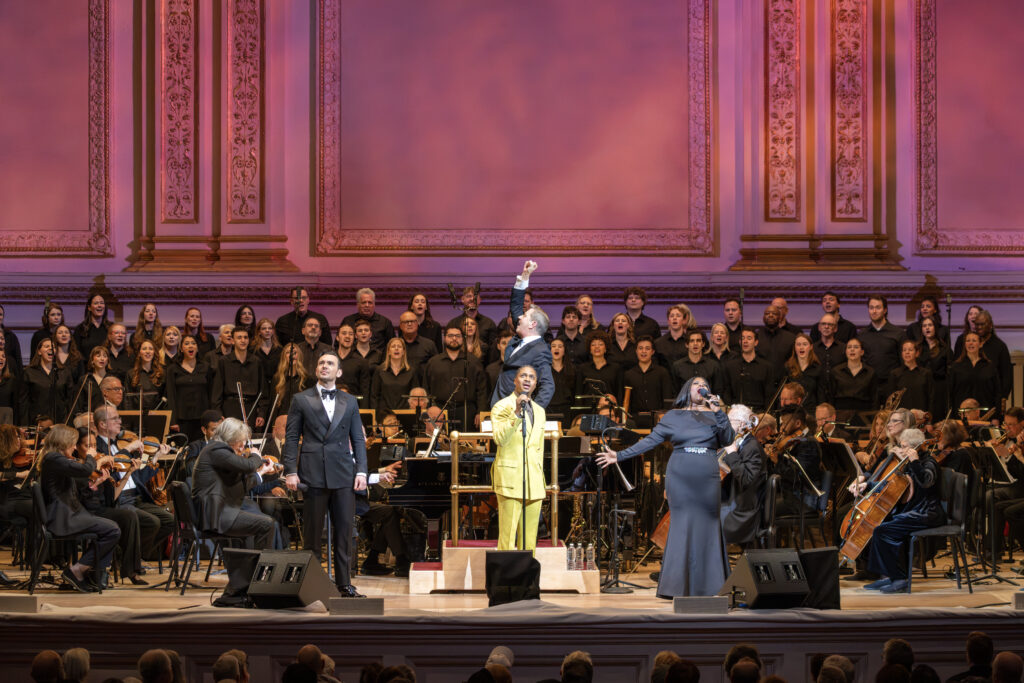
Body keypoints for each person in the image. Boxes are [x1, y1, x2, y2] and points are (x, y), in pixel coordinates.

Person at [597, 376, 733, 597]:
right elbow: (650, 441)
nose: (701, 387)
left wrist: (718, 411)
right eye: (696, 384)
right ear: (687, 390)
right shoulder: (673, 416)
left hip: (707, 477)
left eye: (704, 385)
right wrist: (619, 455)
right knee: (682, 527)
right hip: (681, 477)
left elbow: (728, 439)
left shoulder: (715, 415)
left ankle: (712, 585)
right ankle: (677, 586)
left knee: (708, 525)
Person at [283, 350, 368, 597]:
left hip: (343, 473)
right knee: (311, 536)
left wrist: (362, 471)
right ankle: (312, 587)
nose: (324, 366)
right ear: (316, 370)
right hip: (313, 472)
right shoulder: (301, 399)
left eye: (330, 363)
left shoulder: (349, 401)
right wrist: (290, 470)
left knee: (344, 533)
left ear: (338, 372)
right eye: (321, 362)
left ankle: (345, 585)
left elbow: (358, 439)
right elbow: (291, 437)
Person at [855, 428, 944, 593]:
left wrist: (915, 462)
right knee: (879, 527)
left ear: (915, 447)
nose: (901, 450)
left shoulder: (928, 462)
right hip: (914, 511)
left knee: (884, 531)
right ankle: (888, 575)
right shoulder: (909, 463)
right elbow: (891, 484)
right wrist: (867, 485)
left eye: (904, 447)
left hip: (927, 513)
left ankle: (899, 579)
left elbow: (926, 482)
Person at [38, 424, 121, 592]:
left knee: (111, 527)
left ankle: (91, 574)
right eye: (73, 444)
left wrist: (96, 482)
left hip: (70, 514)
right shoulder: (53, 459)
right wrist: (91, 456)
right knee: (112, 530)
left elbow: (72, 488)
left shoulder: (56, 460)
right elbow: (85, 469)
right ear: (63, 442)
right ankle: (78, 570)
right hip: (64, 518)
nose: (75, 448)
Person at [192, 417, 277, 549]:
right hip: (214, 516)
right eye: (240, 442)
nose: (242, 447)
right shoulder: (216, 450)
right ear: (230, 438)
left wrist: (261, 472)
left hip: (219, 512)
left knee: (262, 522)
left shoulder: (219, 452)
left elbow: (239, 486)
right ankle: (260, 563)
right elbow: (249, 466)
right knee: (267, 524)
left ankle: (250, 562)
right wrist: (256, 455)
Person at [491, 365, 548, 550]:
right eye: (523, 376)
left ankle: (527, 570)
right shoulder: (502, 406)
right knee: (507, 538)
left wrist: (540, 477)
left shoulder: (540, 411)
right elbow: (500, 439)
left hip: (534, 481)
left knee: (530, 540)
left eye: (531, 377)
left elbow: (538, 448)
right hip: (510, 479)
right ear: (515, 380)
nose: (527, 379)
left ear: (535, 383)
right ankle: (505, 570)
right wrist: (516, 413)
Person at [490, 260, 554, 408]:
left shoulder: (540, 350)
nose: (519, 317)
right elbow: (516, 306)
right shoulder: (519, 339)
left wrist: (533, 411)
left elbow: (548, 385)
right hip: (500, 407)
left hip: (516, 412)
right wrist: (524, 278)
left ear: (532, 324)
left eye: (524, 316)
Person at [421, 324, 488, 431]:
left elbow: (482, 390)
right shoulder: (433, 362)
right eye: (450, 336)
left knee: (466, 441)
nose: (454, 339)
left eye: (457, 336)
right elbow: (426, 389)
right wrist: (429, 410)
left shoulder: (473, 362)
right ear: (444, 338)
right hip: (440, 411)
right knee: (441, 440)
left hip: (467, 411)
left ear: (462, 339)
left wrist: (480, 412)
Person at [720, 404, 767, 546]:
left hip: (742, 511)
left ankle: (712, 558)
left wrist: (732, 454)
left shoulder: (752, 447)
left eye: (729, 422)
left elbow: (746, 480)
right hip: (733, 501)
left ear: (741, 424)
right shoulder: (741, 442)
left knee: (702, 518)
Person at [165, 335, 213, 441]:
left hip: (202, 418)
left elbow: (211, 393)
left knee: (201, 448)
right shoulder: (173, 368)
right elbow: (171, 395)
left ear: (197, 348)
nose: (190, 346)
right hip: (182, 419)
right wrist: (173, 421)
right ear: (181, 349)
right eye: (186, 344)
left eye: (193, 343)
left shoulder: (205, 367)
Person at [623, 337, 674, 414]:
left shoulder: (662, 372)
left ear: (652, 352)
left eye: (647, 348)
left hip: (658, 417)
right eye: (640, 348)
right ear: (636, 351)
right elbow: (626, 401)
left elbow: (667, 398)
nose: (643, 351)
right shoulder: (629, 374)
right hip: (635, 418)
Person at [371, 338, 417, 417]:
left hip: (405, 414)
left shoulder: (411, 371)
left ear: (403, 351)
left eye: (399, 346)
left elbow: (414, 397)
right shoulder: (380, 370)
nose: (396, 348)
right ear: (388, 351)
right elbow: (374, 396)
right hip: (384, 416)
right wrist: (376, 416)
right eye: (393, 346)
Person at [654, 304, 696, 370]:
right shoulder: (659, 343)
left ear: (684, 320)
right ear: (668, 321)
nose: (674, 318)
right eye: (672, 316)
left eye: (678, 316)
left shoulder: (691, 341)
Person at [73, 293, 111, 357]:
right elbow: (76, 353)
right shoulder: (80, 329)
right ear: (89, 308)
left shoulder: (111, 328)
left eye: (102, 303)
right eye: (96, 303)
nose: (99, 305)